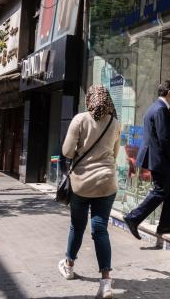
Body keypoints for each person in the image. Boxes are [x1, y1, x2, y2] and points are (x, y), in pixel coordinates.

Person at [58, 85, 121, 299]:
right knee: (100, 229)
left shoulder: (80, 120)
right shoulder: (114, 122)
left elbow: (66, 151)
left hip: (82, 184)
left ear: (89, 100)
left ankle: (69, 265)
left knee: (77, 225)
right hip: (106, 182)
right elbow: (115, 152)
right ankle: (106, 282)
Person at [123, 80, 170, 239]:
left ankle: (166, 225)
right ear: (169, 92)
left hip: (159, 160)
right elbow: (165, 139)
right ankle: (133, 217)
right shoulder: (160, 110)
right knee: (161, 191)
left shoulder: (155, 108)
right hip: (161, 161)